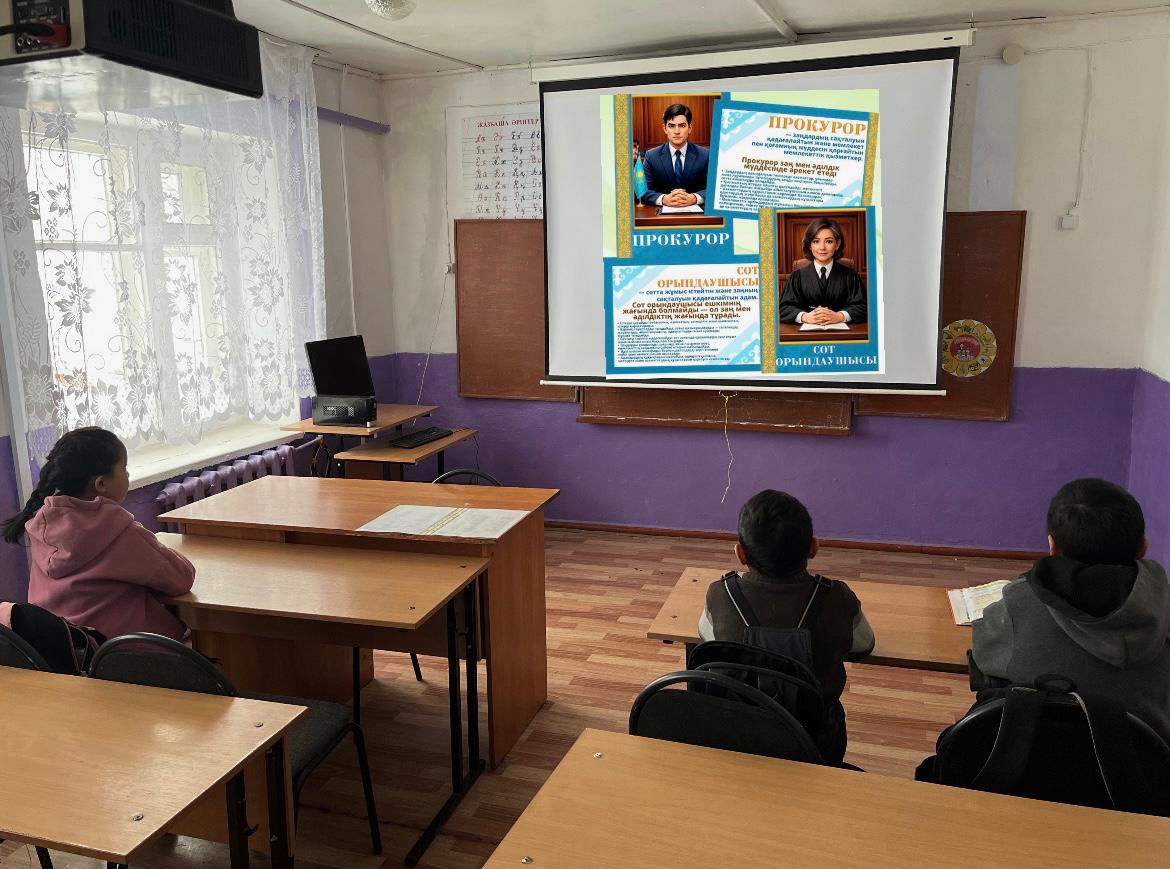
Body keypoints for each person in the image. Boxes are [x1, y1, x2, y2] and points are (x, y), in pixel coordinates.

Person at [970, 478, 1170, 743]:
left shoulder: (1019, 603)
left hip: (1034, 758)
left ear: (1052, 547)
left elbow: (983, 654)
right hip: (1143, 764)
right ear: (1143, 547)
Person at [3, 426, 196, 642]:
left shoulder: (41, 525)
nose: (128, 475)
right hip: (130, 652)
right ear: (101, 483)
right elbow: (182, 578)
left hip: (68, 652)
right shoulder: (120, 532)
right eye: (124, 469)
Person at [698, 490, 875, 708]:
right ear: (813, 548)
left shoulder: (721, 594)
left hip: (740, 724)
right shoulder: (837, 597)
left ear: (740, 554)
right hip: (815, 728)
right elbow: (864, 645)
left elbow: (708, 639)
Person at [778, 218, 867, 325]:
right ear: (809, 245)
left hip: (841, 332)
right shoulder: (796, 277)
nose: (822, 247)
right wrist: (805, 317)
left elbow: (862, 307)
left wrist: (840, 316)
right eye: (816, 241)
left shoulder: (850, 276)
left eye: (829, 241)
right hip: (805, 332)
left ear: (837, 244)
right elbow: (784, 309)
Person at [638, 103, 709, 210]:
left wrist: (695, 198)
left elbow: (714, 189)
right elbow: (642, 191)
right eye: (671, 126)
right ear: (665, 128)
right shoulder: (651, 156)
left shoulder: (705, 155)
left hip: (697, 216)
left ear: (690, 128)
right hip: (660, 216)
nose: (676, 131)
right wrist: (663, 199)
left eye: (682, 125)